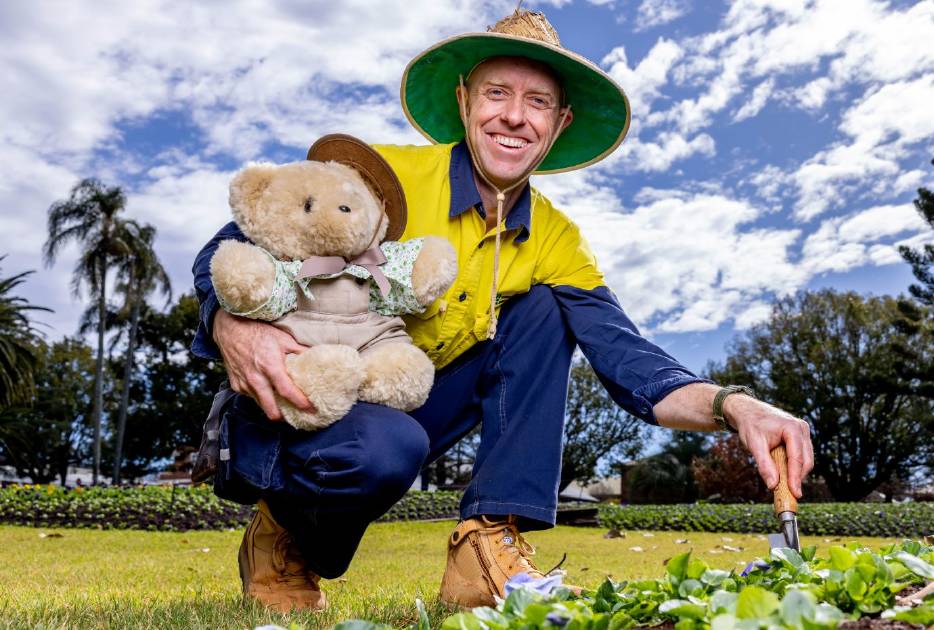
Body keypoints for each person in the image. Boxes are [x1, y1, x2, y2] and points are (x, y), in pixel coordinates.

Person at [191, 8, 814, 613]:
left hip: (409, 401)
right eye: (497, 93)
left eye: (538, 102)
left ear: (560, 121)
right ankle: (284, 538)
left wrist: (734, 404)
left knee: (545, 309)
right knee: (385, 449)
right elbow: (229, 243)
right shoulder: (384, 176)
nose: (514, 117)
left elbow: (626, 357)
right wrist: (230, 322)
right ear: (464, 100)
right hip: (304, 399)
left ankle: (486, 543)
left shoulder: (555, 238)